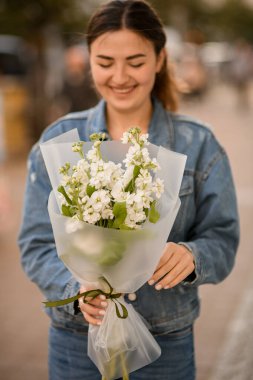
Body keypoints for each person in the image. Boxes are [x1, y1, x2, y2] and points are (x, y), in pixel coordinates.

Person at [18, 1, 239, 379]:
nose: (120, 76)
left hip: (166, 343)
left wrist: (191, 257)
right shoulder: (58, 141)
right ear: (88, 60)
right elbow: (35, 243)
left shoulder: (198, 144)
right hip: (76, 340)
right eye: (105, 63)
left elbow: (223, 240)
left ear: (159, 59)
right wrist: (75, 286)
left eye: (135, 62)